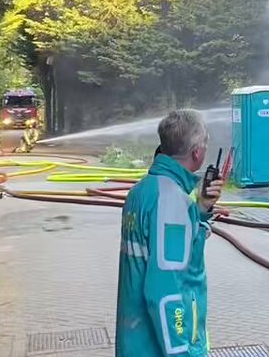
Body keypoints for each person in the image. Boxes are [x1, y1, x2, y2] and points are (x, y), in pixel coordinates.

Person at [115, 109, 223, 357]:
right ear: (197, 152)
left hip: (135, 342)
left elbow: (178, 252)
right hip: (160, 349)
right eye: (205, 143)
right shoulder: (172, 202)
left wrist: (202, 209)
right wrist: (181, 351)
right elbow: (166, 293)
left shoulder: (141, 191)